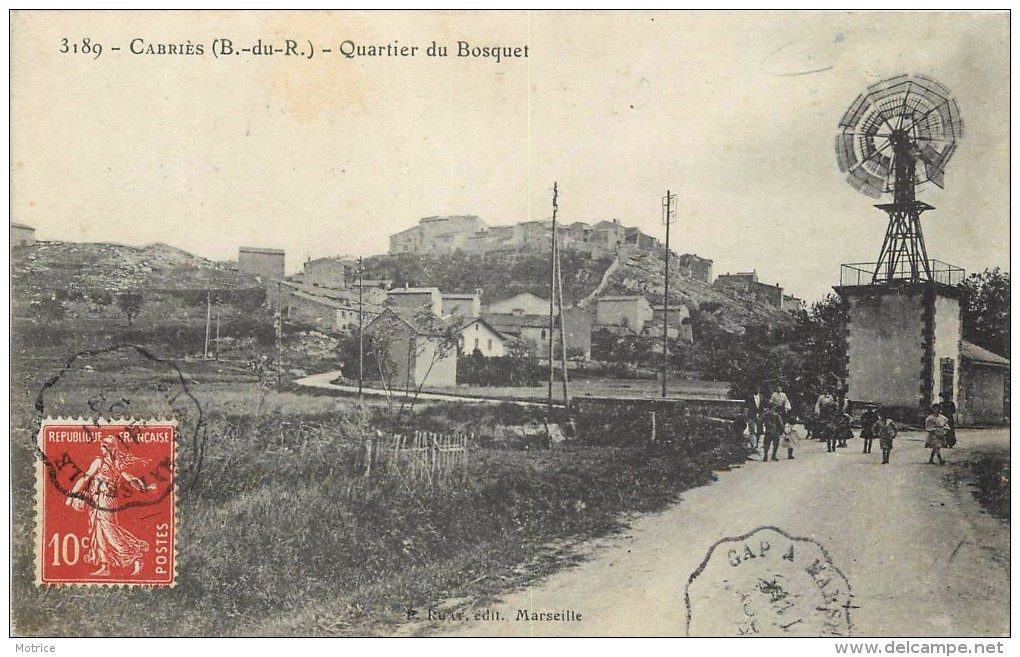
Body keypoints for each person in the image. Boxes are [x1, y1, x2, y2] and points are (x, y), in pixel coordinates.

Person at [66, 436, 156, 576]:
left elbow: (130, 479)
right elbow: (85, 478)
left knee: (108, 530)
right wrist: (72, 494)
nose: (101, 447)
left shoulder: (113, 463)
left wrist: (146, 488)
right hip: (97, 499)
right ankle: (105, 566)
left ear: (109, 447)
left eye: (103, 445)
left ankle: (134, 556)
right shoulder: (101, 462)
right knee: (98, 531)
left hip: (106, 500)